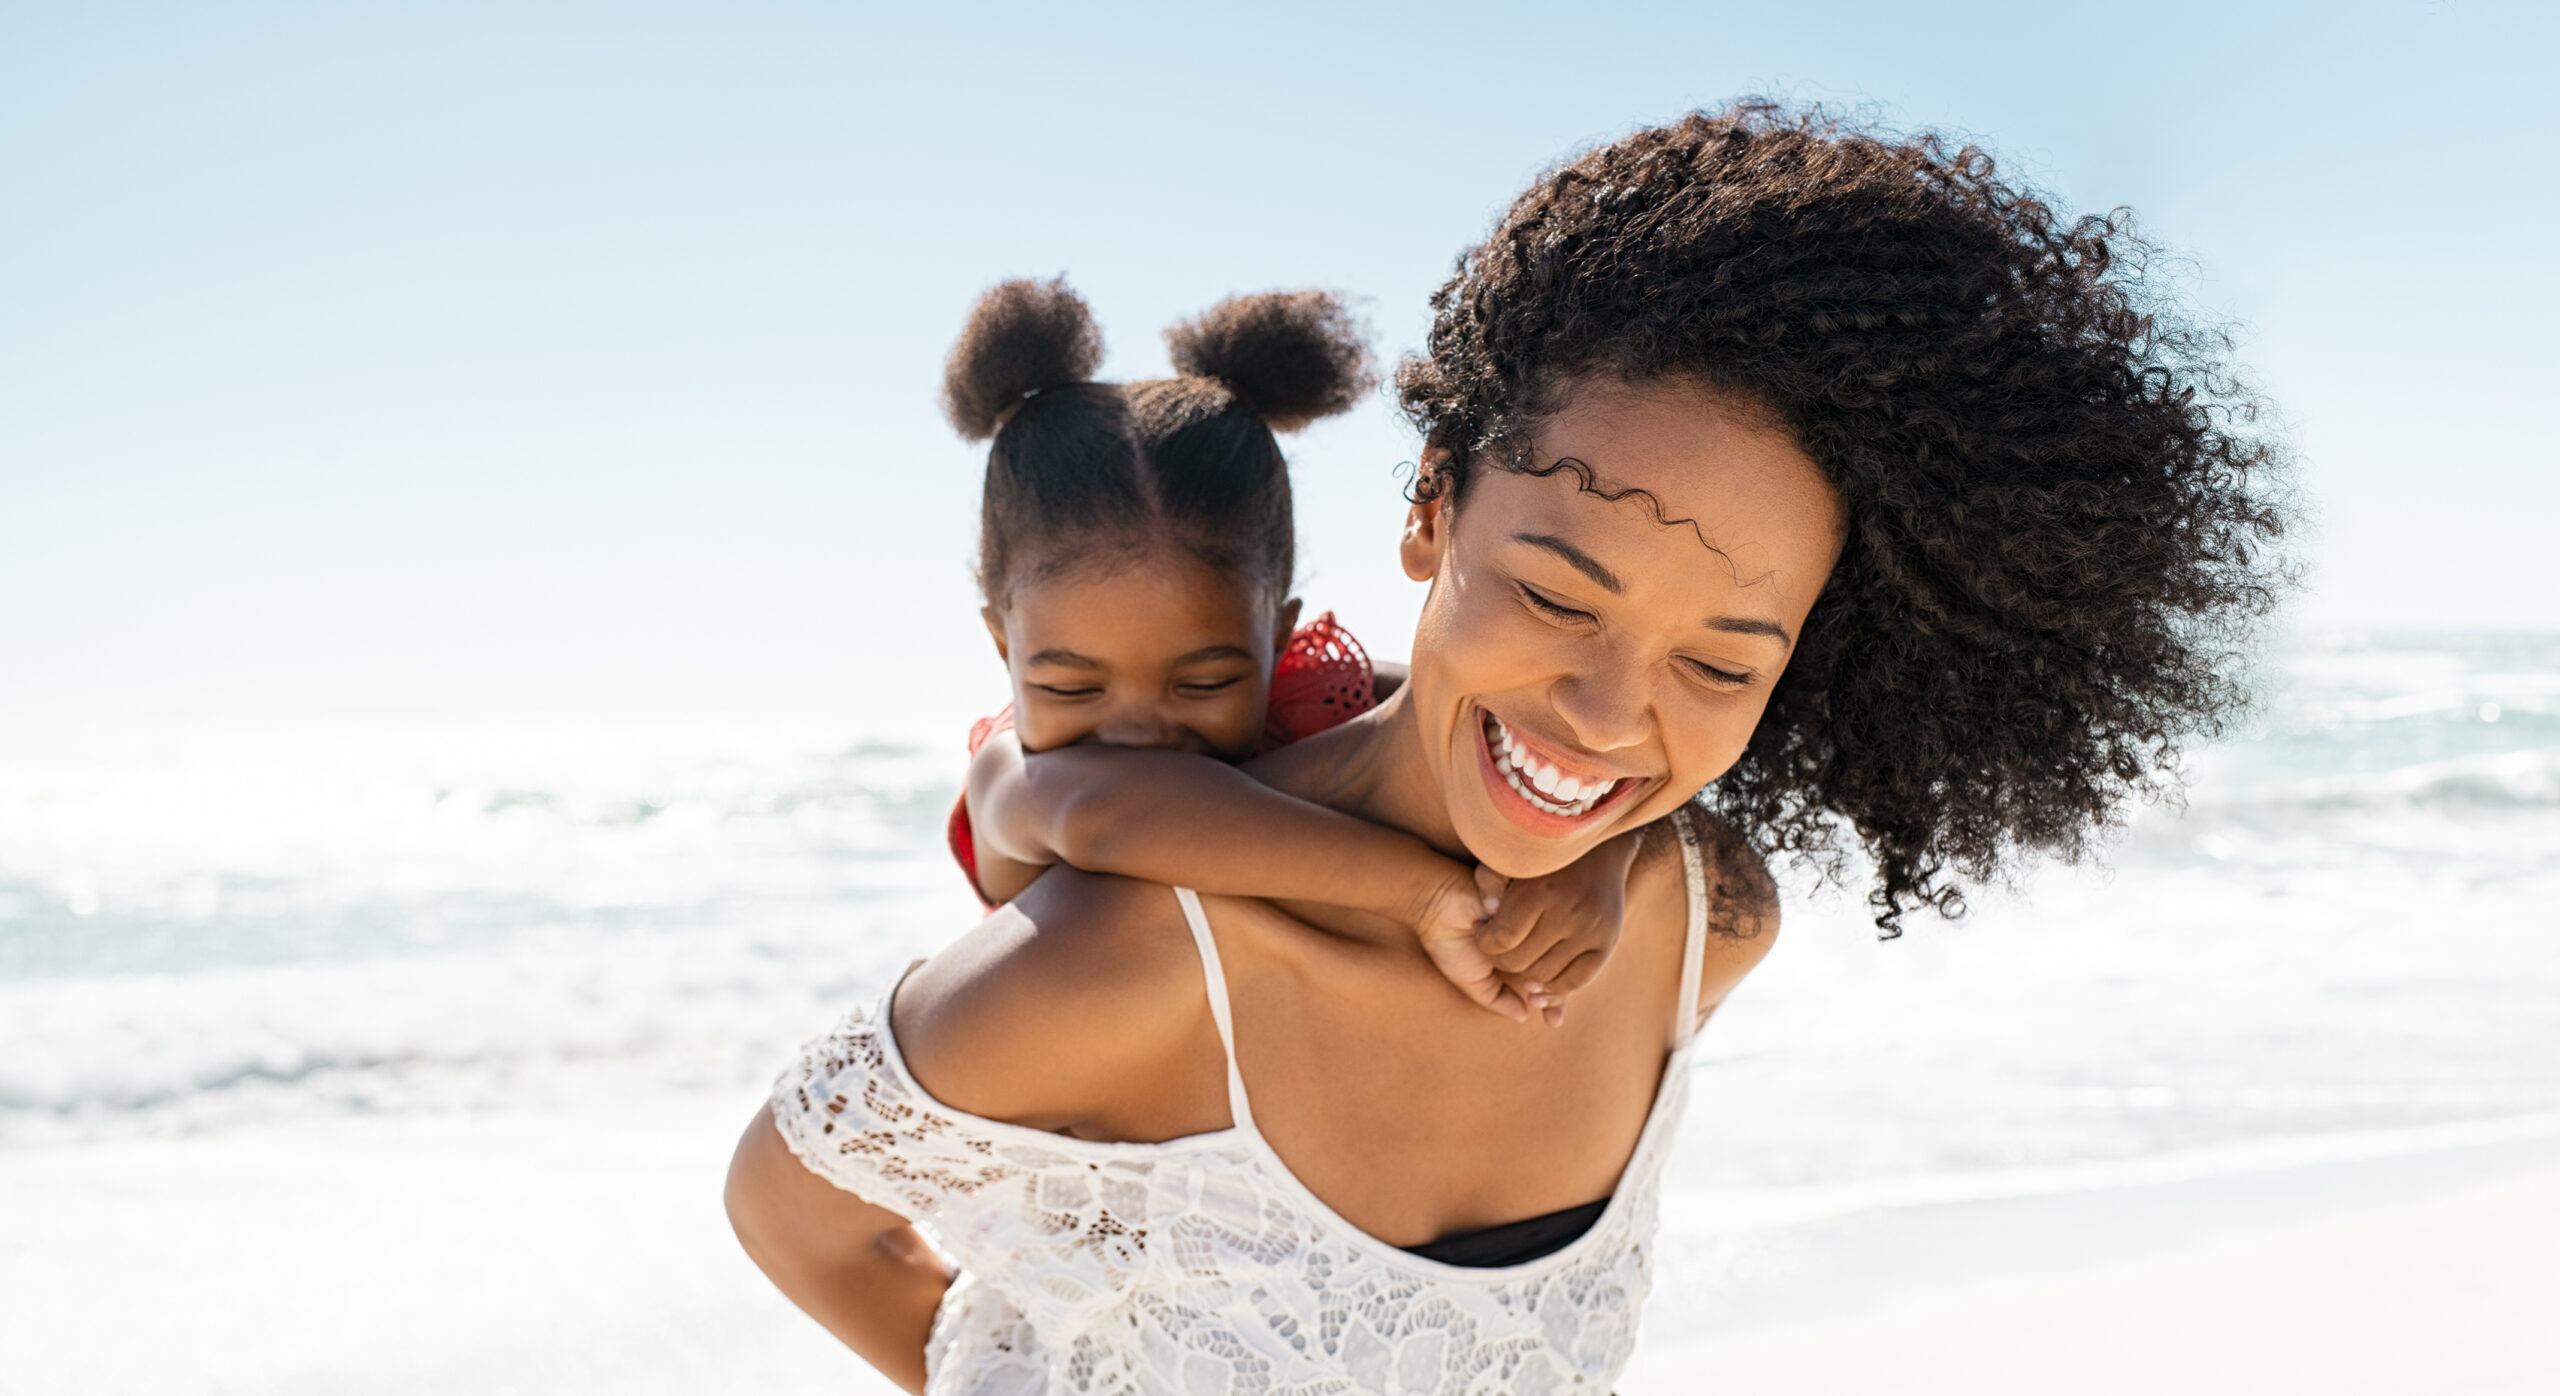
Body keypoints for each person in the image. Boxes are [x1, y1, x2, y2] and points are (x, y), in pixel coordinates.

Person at [725, 101, 2289, 1395]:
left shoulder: (1703, 923)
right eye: (1554, 592)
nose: (1607, 714)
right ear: (1428, 509)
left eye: (1722, 656)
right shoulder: (1127, 958)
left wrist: (1614, 859)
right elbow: (794, 1214)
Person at [936, 280, 1635, 1023]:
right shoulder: (1011, 778)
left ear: (1277, 634)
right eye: (1074, 689)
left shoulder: (1311, 693)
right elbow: (1106, 812)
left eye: (1203, 683)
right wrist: (1425, 893)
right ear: (1003, 643)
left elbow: (1528, 728)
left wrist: (1602, 854)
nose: (1138, 732)